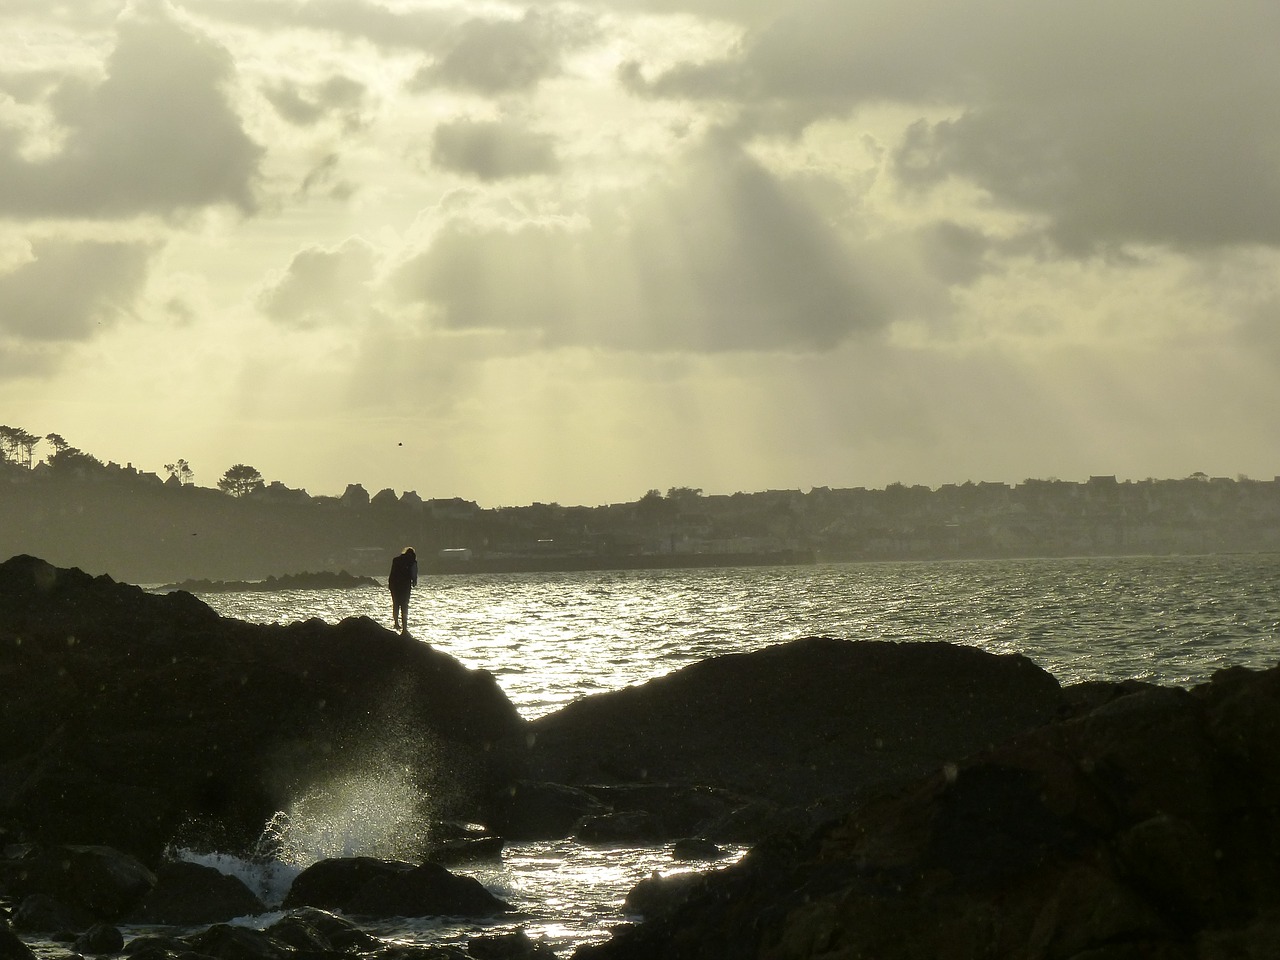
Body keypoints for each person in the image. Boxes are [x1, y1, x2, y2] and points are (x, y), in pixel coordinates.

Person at [388, 546, 418, 632]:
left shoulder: (396, 560)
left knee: (396, 604)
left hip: (394, 585)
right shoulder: (412, 561)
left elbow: (392, 573)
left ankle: (396, 623)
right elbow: (414, 574)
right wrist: (414, 581)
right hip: (405, 586)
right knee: (404, 605)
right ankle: (405, 627)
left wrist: (390, 584)